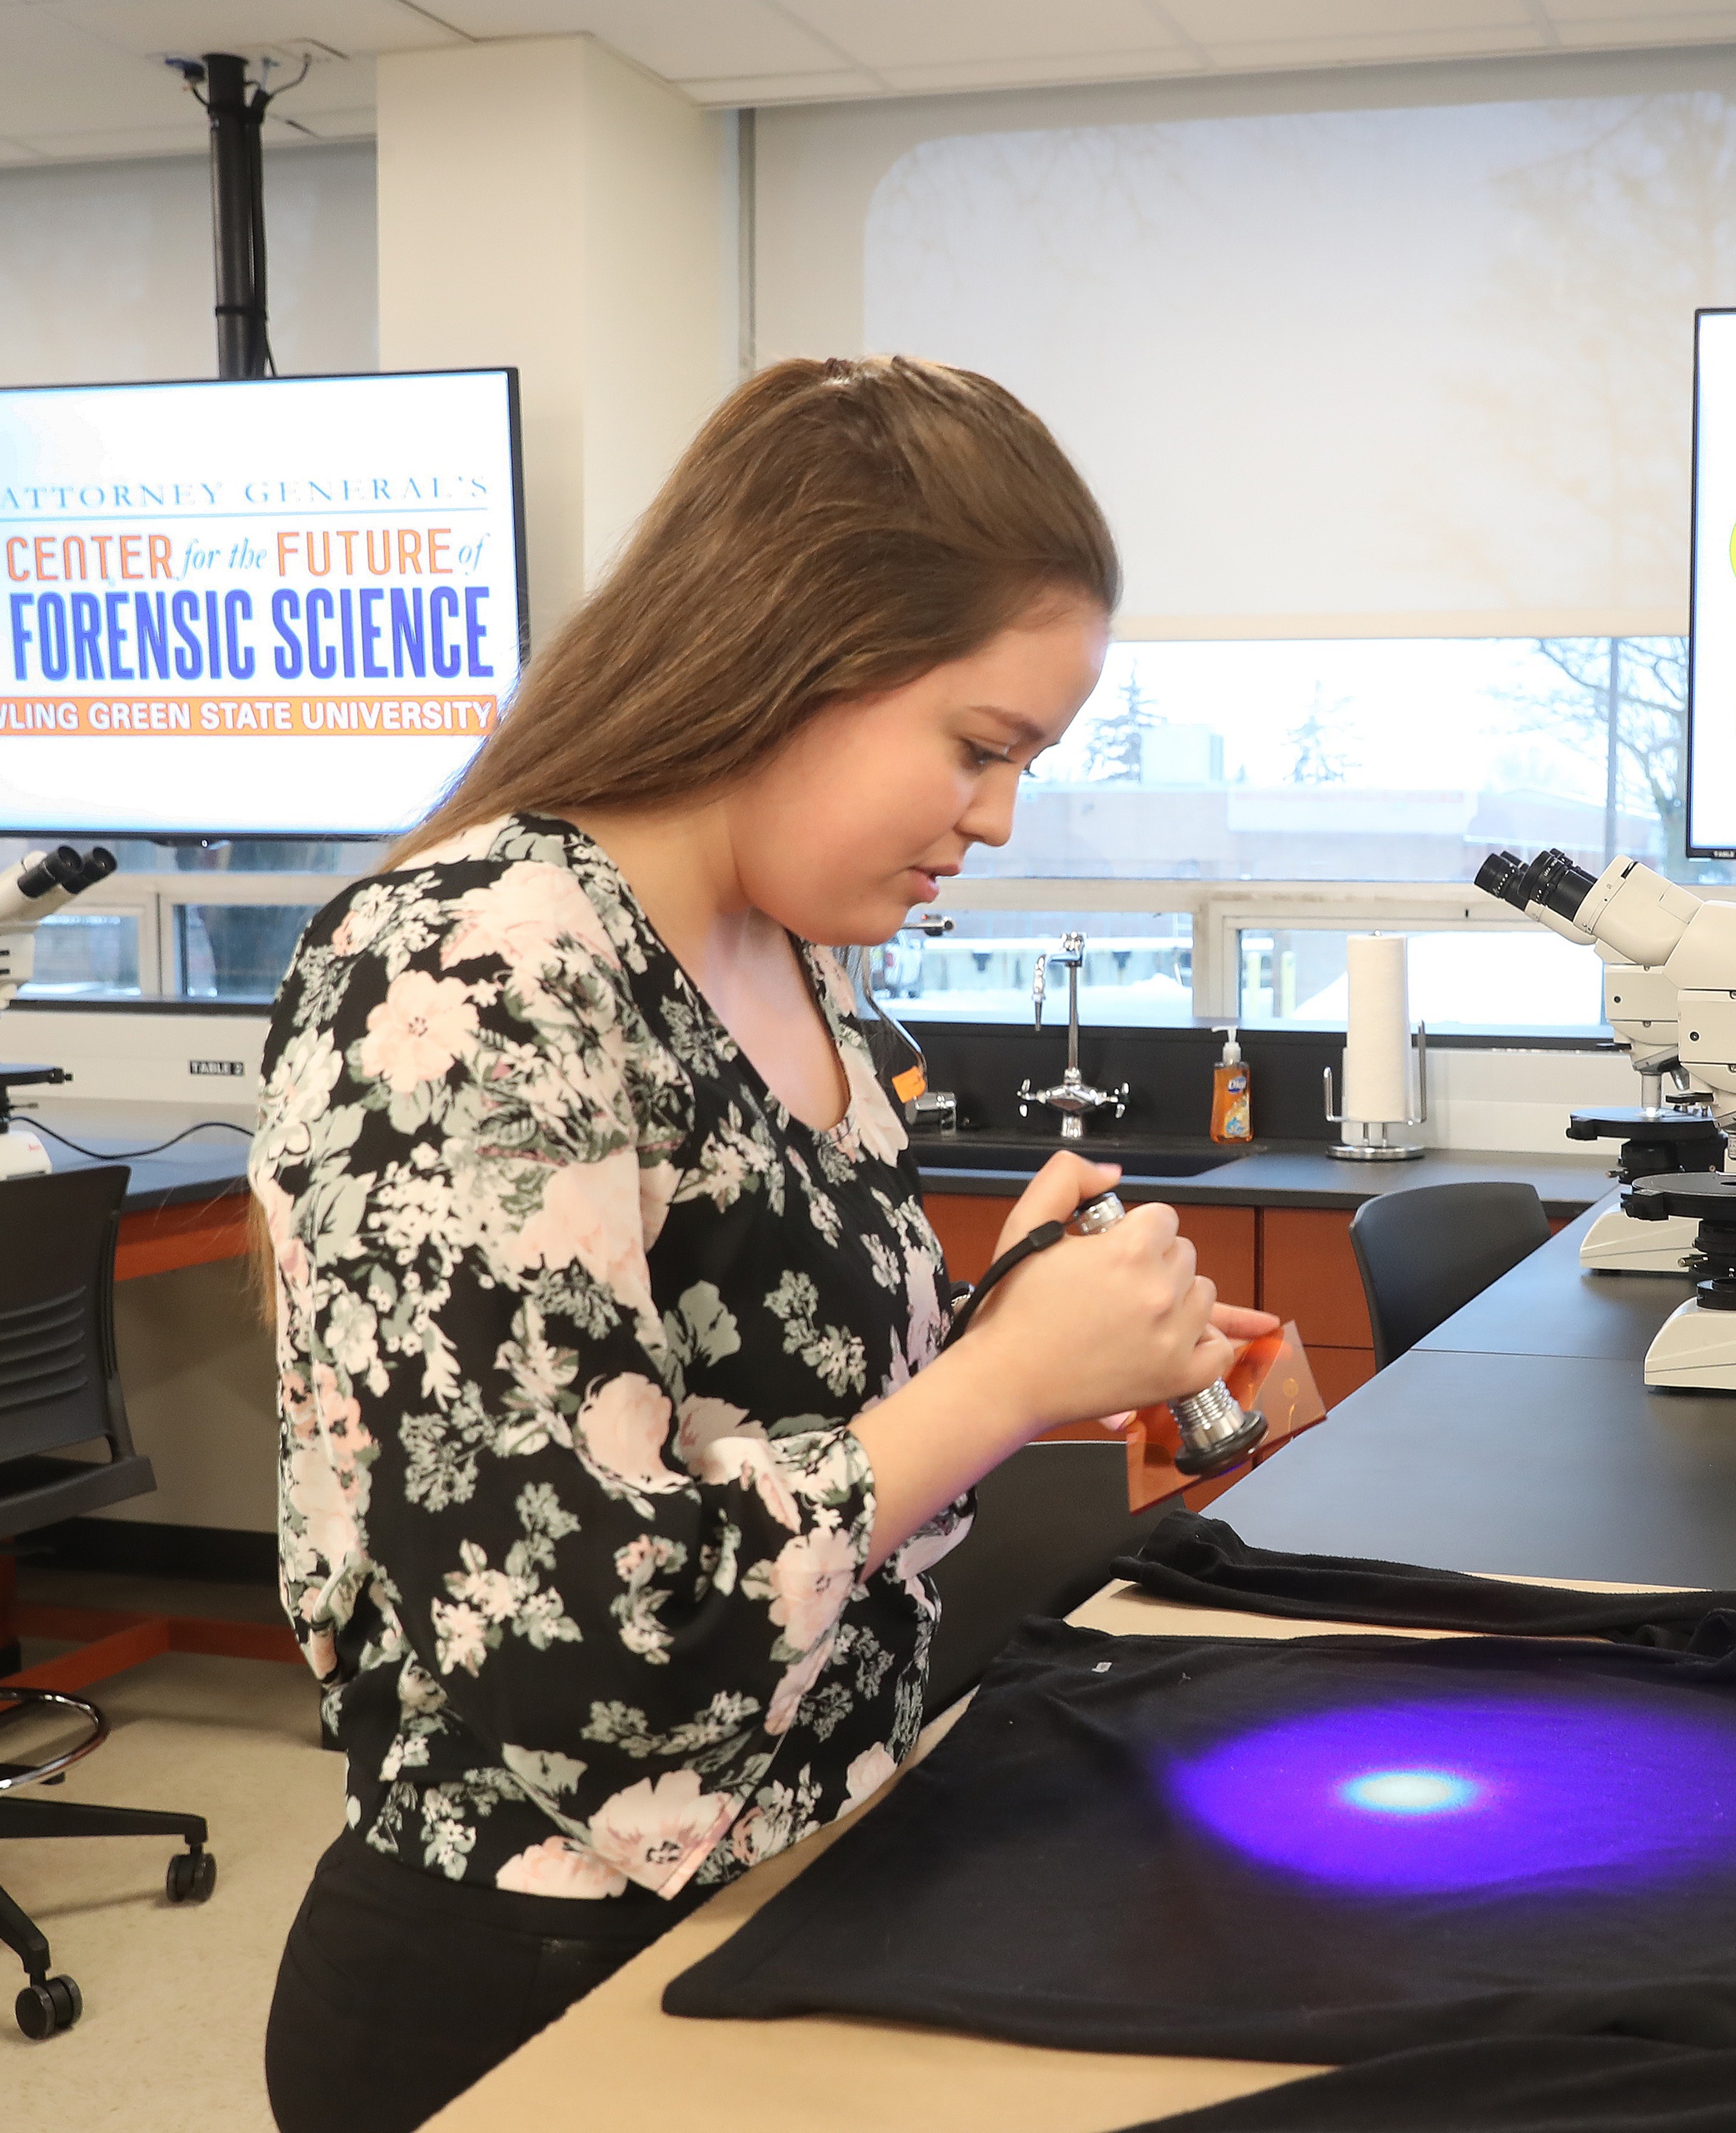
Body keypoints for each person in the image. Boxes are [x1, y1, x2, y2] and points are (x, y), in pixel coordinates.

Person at [252, 356, 1262, 2133]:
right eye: (980, 744)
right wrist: (1009, 1381)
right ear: (802, 647)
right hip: (537, 1968)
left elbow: (775, 1413)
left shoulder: (794, 958)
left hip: (809, 1864)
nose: (1002, 815)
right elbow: (583, 1646)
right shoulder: (474, 969)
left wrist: (1012, 1318)